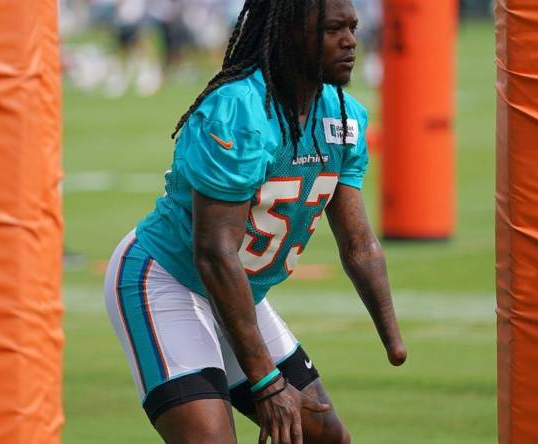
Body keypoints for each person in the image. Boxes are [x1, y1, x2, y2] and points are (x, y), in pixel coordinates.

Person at [103, 0, 407, 442]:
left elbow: (358, 243)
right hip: (169, 279)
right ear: (288, 33)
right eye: (331, 30)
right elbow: (213, 252)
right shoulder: (239, 111)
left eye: (353, 28)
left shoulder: (343, 117)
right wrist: (266, 380)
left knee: (325, 436)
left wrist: (391, 335)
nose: (350, 42)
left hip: (237, 290)